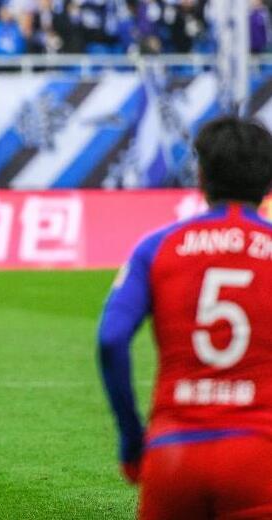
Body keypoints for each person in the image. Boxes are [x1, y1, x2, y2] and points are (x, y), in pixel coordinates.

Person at [98, 116, 272, 519]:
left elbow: (111, 339)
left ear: (201, 175)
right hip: (260, 452)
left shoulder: (157, 246)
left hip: (173, 452)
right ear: (267, 182)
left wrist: (131, 439)